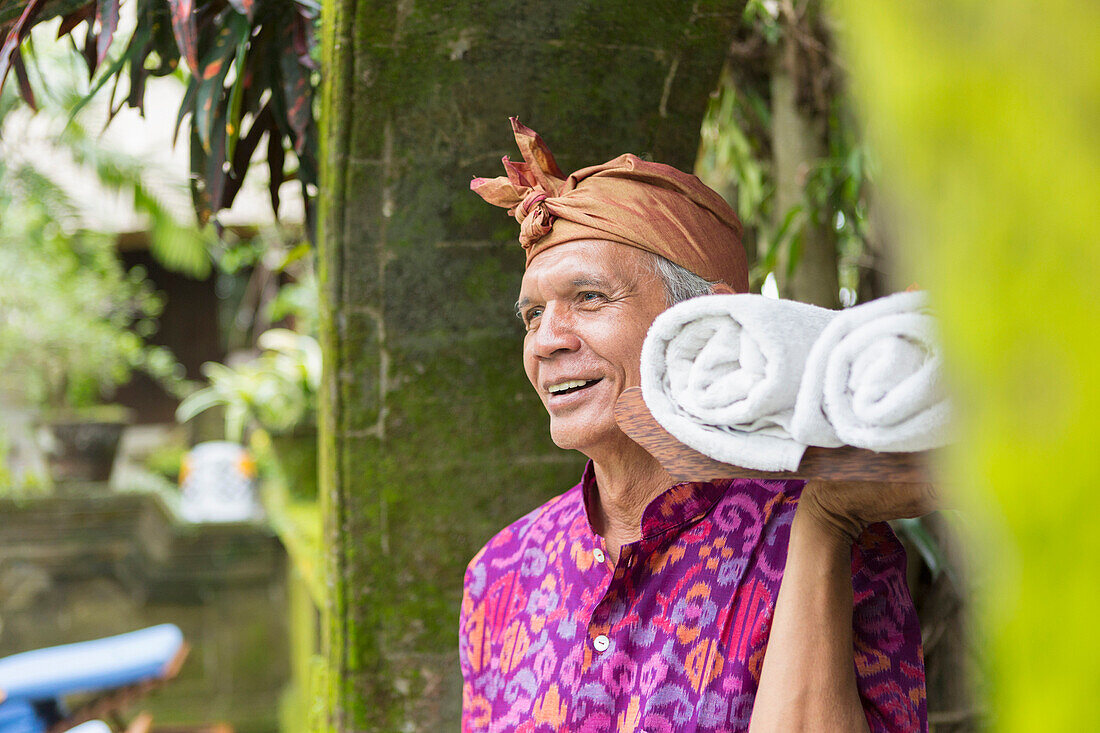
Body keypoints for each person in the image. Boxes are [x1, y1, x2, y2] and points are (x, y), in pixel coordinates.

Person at [459, 119, 931, 732]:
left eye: (591, 298)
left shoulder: (821, 534)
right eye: (532, 315)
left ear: (701, 327)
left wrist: (823, 525)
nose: (546, 340)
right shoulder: (499, 575)